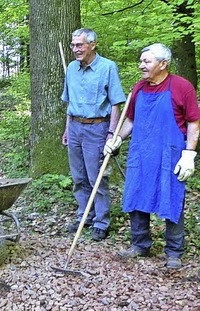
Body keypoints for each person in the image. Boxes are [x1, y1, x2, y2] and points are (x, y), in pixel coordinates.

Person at [104, 43, 200, 269]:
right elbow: (130, 120)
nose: (141, 66)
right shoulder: (138, 88)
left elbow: (194, 122)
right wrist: (117, 139)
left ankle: (174, 252)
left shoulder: (181, 87)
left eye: (146, 61)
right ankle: (140, 245)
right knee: (137, 195)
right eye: (141, 61)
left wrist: (189, 154)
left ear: (163, 64)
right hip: (141, 153)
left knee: (171, 198)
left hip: (170, 154)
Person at [61, 28, 126, 241]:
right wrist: (67, 129)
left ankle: (101, 222)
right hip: (75, 127)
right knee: (79, 177)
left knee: (96, 177)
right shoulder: (71, 68)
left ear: (92, 45)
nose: (75, 49)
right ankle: (85, 216)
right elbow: (69, 103)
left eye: (79, 45)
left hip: (98, 129)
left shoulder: (107, 67)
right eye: (73, 45)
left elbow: (116, 103)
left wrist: (111, 133)